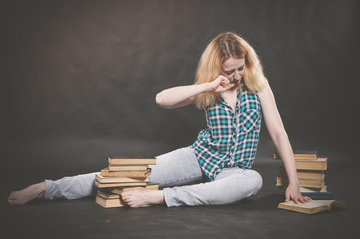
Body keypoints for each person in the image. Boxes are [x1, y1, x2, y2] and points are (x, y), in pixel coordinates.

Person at [7, 32, 310, 207]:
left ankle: (161, 198)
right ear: (216, 67)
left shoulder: (259, 87)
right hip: (198, 157)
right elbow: (161, 99)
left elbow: (279, 134)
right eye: (228, 70)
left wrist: (293, 182)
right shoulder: (209, 88)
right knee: (121, 175)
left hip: (234, 172)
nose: (234, 76)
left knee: (253, 181)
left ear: (247, 63)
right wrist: (208, 85)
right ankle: (46, 188)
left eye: (239, 68)